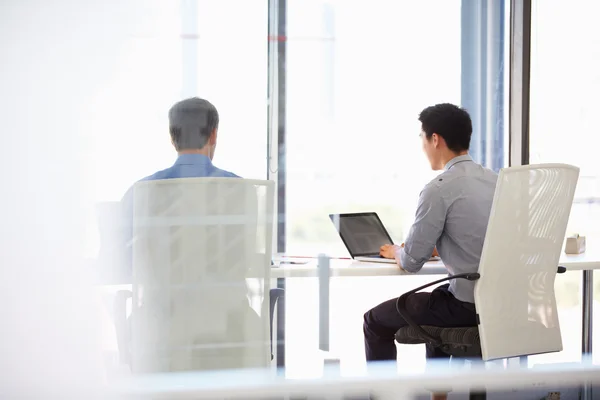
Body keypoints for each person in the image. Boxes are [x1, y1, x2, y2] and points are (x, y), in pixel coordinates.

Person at [363, 103, 498, 368]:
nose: (423, 147)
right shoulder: (496, 181)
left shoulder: (439, 189)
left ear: (434, 139)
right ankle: (438, 395)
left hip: (467, 306)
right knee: (437, 298)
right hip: (501, 304)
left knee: (373, 321)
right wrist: (443, 245)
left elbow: (411, 262)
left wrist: (395, 252)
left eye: (422, 139)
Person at [117, 97, 241, 279]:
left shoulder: (141, 191)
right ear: (213, 135)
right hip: (228, 307)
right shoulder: (238, 189)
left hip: (160, 307)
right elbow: (243, 257)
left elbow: (122, 261)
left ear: (172, 138)